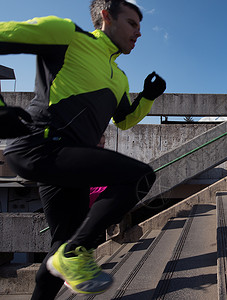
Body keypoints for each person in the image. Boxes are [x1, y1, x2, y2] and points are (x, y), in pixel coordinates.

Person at [0, 0, 166, 298]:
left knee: (61, 244)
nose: (139, 33)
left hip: (68, 165)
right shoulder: (66, 35)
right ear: (106, 17)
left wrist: (148, 97)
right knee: (138, 176)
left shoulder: (119, 78)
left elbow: (125, 121)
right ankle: (77, 251)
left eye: (140, 26)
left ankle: (66, 256)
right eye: (132, 23)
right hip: (37, 144)